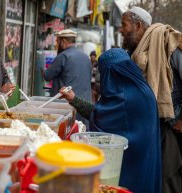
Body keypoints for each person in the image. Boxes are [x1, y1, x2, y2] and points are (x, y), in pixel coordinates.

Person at [60, 48, 162, 193]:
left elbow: (100, 118)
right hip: (143, 163)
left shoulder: (126, 98)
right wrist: (74, 99)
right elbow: (100, 114)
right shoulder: (141, 89)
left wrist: (74, 100)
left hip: (130, 168)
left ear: (111, 73)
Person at [119, 6, 182, 193]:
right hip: (153, 128)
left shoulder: (167, 44)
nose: (121, 30)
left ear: (138, 26)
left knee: (170, 179)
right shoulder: (136, 54)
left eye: (124, 25)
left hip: (173, 128)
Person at [44, 29, 92, 129]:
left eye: (57, 41)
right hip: (85, 107)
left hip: (66, 107)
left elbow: (47, 76)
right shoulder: (85, 56)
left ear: (63, 41)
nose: (57, 45)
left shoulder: (63, 56)